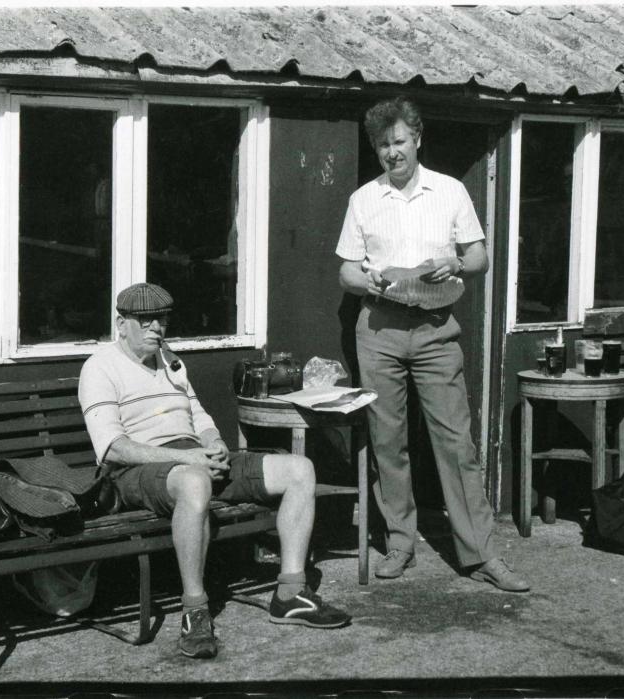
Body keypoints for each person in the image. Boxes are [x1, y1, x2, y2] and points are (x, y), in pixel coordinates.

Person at [78, 282, 351, 660]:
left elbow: (198, 414)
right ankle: (194, 610)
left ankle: (290, 593)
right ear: (122, 324)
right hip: (138, 471)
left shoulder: (169, 361)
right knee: (194, 482)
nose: (158, 328)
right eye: (146, 321)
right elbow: (113, 448)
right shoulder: (100, 367)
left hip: (195, 460)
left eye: (163, 319)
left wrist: (214, 442)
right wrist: (190, 461)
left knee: (299, 469)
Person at [335, 97, 530, 592]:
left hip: (436, 330)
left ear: (417, 138)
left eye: (399, 141)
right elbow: (346, 269)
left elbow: (480, 257)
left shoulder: (450, 191)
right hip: (379, 330)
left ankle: (481, 552)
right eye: (383, 145)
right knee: (387, 441)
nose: (392, 153)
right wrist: (370, 283)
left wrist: (457, 265)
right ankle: (400, 541)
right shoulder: (364, 199)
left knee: (455, 442)